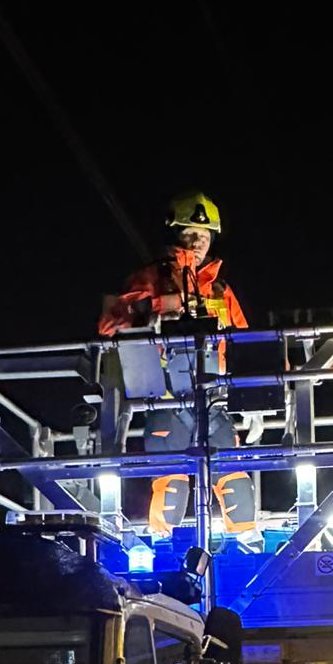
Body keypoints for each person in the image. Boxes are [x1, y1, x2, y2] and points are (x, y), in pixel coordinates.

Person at [98, 191, 261, 547]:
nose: (199, 241)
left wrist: (255, 401)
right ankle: (161, 558)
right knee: (170, 487)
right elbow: (109, 325)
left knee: (236, 483)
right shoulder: (148, 278)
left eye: (204, 235)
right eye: (191, 234)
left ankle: (250, 553)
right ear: (175, 235)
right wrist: (160, 307)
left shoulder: (220, 290)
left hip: (214, 400)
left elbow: (248, 344)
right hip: (165, 399)